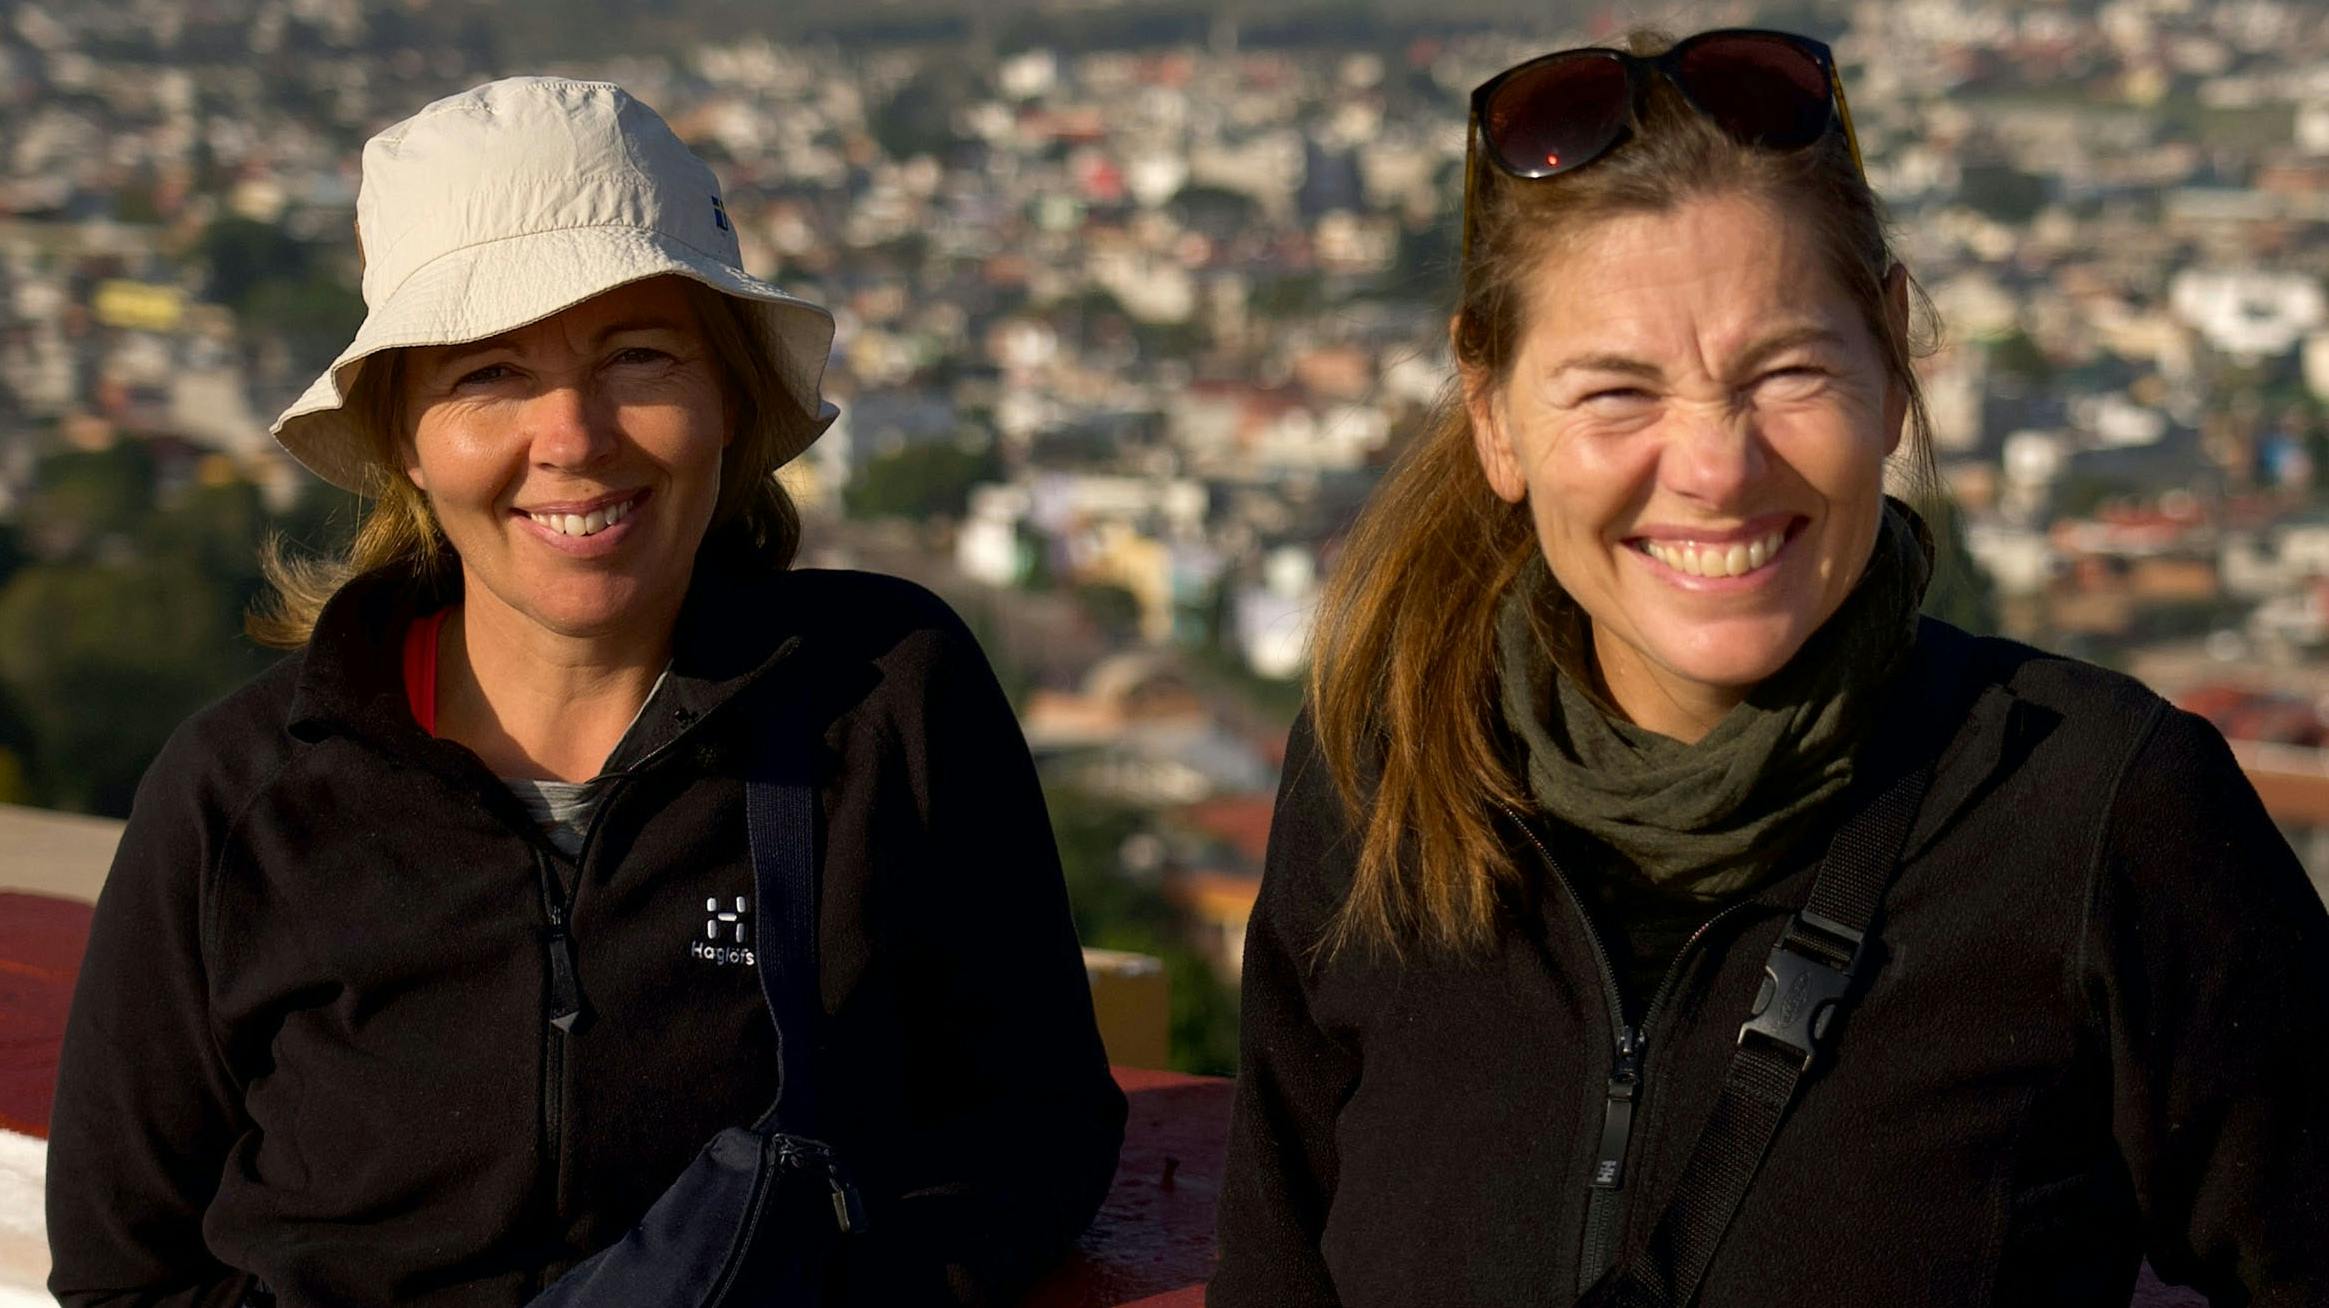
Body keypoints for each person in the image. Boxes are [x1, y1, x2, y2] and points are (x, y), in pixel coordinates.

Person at [1211, 28, 2329, 1307]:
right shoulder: (1383, 776)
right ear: (1493, 421)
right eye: (1616, 393)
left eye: (1787, 370)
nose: (1716, 466)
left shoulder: (2096, 814)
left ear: (1892, 364)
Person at [47, 77, 1124, 1307]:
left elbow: (1031, 1140)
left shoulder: (880, 702)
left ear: (724, 400)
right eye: (489, 374)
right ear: (404, 436)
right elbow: (128, 1267)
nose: (573, 436)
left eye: (640, 358)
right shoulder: (244, 796)